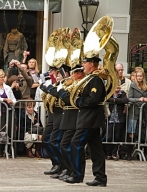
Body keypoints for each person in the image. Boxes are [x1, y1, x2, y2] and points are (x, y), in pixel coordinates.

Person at [64, 56, 107, 187]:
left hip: (90, 119)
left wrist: (78, 101)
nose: (83, 65)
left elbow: (93, 99)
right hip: (89, 118)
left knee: (76, 144)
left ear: (92, 64)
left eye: (85, 62)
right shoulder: (89, 80)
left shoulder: (95, 80)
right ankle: (100, 177)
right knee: (96, 150)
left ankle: (77, 174)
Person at [0, 69, 16, 157]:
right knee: (0, 130)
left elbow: (13, 99)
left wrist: (12, 102)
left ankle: (10, 150)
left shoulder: (8, 88)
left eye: (3, 77)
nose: (3, 78)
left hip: (8, 111)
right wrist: (4, 99)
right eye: (1, 77)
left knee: (10, 129)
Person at [127, 70, 147, 160]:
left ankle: (142, 150)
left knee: (143, 131)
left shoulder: (146, 86)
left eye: (141, 76)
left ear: (143, 77)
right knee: (132, 131)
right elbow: (129, 98)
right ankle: (129, 152)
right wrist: (139, 99)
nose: (139, 78)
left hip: (144, 111)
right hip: (134, 111)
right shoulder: (132, 85)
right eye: (138, 76)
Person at [105, 84, 128, 160]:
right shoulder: (109, 93)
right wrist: (116, 101)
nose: (117, 87)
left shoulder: (123, 93)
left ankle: (114, 153)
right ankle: (109, 153)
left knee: (117, 137)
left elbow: (125, 100)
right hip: (110, 118)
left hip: (119, 118)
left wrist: (114, 100)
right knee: (109, 136)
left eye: (118, 85)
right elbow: (106, 99)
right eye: (116, 85)